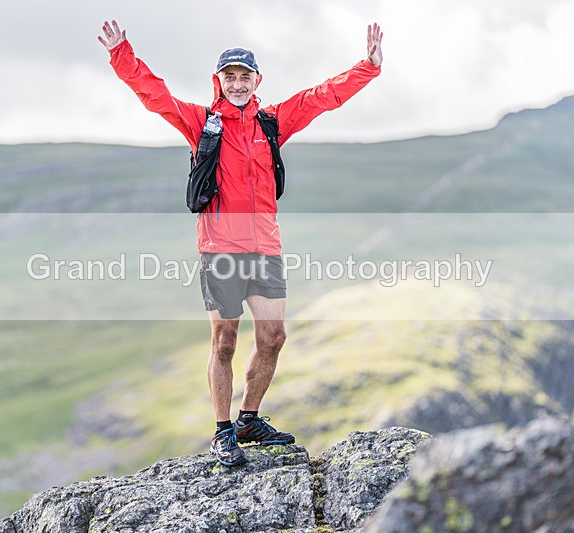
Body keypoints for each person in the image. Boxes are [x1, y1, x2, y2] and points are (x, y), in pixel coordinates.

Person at [98, 19, 384, 466]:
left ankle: (249, 418)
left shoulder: (271, 123)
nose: (236, 84)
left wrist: (367, 67)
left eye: (244, 77)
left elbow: (320, 98)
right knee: (225, 342)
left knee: (273, 337)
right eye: (228, 77)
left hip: (265, 249)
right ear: (219, 82)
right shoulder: (202, 123)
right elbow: (155, 95)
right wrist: (122, 54)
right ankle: (222, 430)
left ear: (257, 82)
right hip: (221, 251)